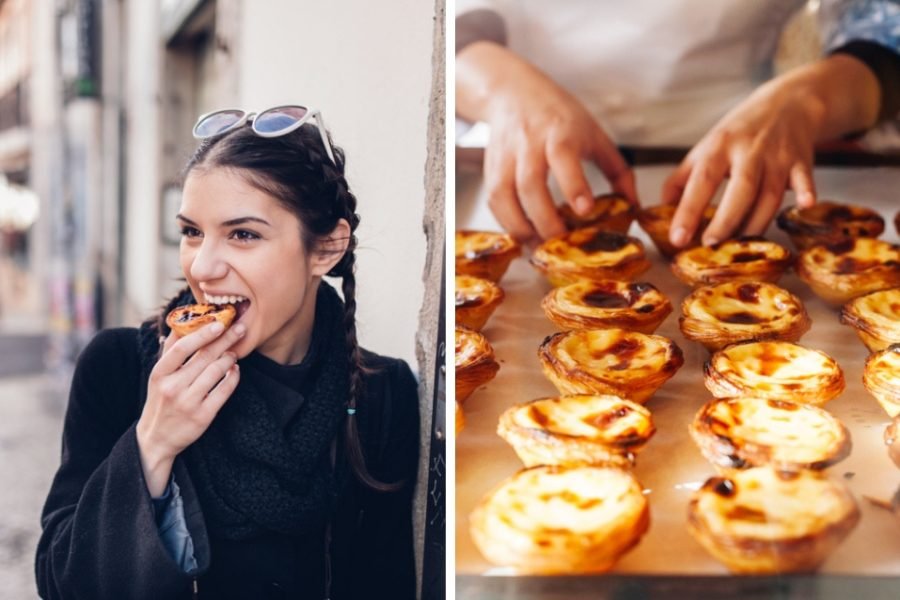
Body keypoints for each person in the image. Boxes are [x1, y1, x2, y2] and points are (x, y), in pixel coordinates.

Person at [35, 106, 420, 599]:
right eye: (192, 232)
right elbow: (60, 583)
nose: (204, 266)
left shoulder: (379, 394)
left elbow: (384, 581)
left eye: (243, 234)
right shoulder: (117, 367)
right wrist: (153, 442)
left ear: (326, 249)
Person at [456, 0, 900, 245]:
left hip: (739, 168)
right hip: (521, 166)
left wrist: (808, 101)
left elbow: (884, 33)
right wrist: (500, 90)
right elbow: (439, 27)